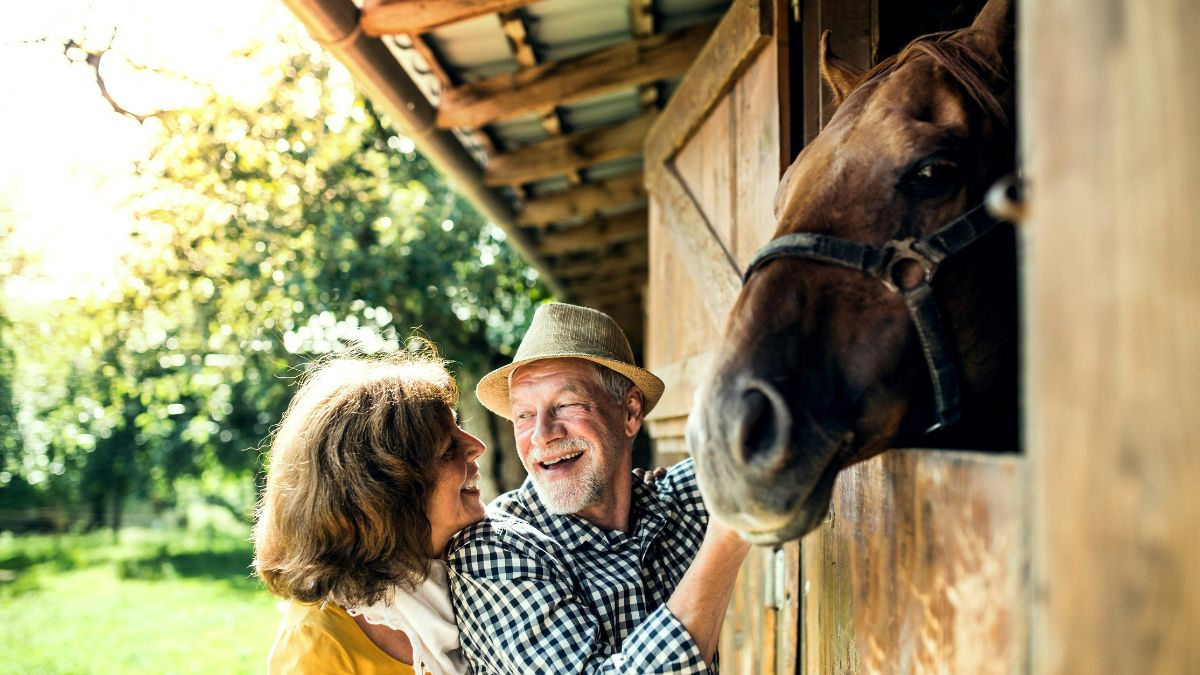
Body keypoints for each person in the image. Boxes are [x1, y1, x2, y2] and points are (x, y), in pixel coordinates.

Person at [448, 302, 751, 674]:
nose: (542, 435)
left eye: (567, 404)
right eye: (524, 415)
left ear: (630, 413)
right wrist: (730, 534)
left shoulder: (675, 504)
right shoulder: (493, 550)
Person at [252, 348, 485, 674]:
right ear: (386, 493)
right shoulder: (317, 645)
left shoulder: (494, 563)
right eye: (448, 449)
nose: (477, 446)